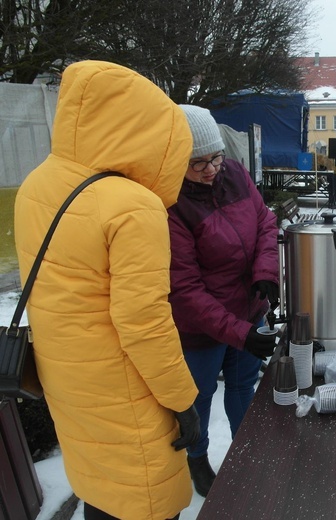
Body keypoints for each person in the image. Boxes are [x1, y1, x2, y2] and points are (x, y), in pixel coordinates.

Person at [14, 61, 200, 520]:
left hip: (68, 380)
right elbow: (143, 323)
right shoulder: (132, 205)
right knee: (142, 499)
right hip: (126, 391)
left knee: (101, 489)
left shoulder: (37, 184)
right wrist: (183, 401)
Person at [167, 105, 279, 497]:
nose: (211, 169)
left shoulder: (235, 172)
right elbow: (186, 290)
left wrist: (266, 272)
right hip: (203, 327)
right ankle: (197, 458)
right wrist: (240, 334)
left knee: (242, 386)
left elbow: (265, 220)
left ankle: (245, 456)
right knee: (199, 396)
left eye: (215, 157)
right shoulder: (169, 202)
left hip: (248, 310)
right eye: (197, 164)